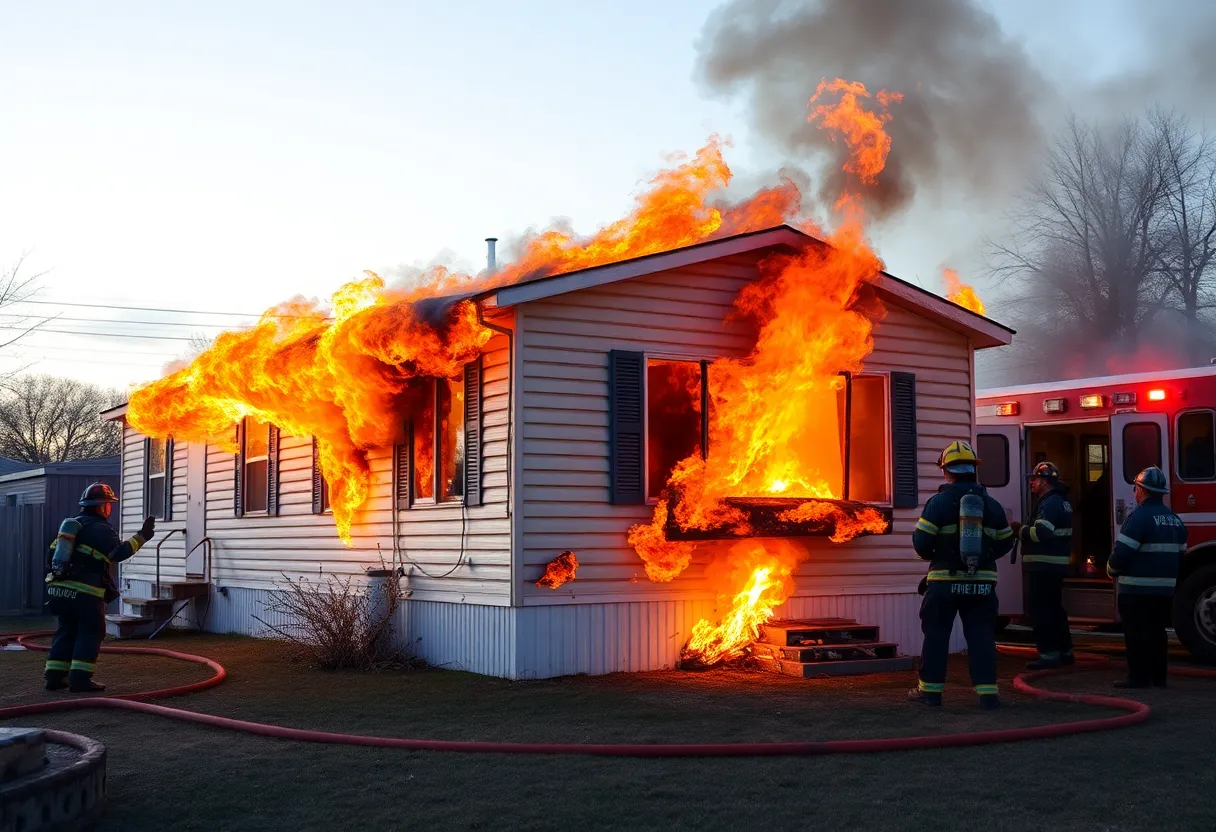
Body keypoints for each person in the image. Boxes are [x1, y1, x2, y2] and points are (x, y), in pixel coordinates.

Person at [909, 440, 1015, 709]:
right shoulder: (991, 506)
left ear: (946, 471)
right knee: (981, 635)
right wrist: (984, 558)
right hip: (982, 585)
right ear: (973, 469)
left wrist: (940, 556)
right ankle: (988, 694)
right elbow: (1005, 542)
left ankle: (930, 693)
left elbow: (921, 543)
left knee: (936, 634)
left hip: (944, 583)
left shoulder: (938, 503)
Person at [43, 483, 155, 692]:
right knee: (90, 632)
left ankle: (54, 677)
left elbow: (52, 556)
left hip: (59, 591)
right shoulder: (101, 529)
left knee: (66, 630)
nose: (110, 509)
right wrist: (143, 536)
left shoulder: (70, 527)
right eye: (109, 505)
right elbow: (120, 553)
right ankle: (80, 680)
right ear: (102, 507)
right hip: (85, 593)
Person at [1107, 466, 1187, 689]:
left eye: (1135, 488)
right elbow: (1181, 554)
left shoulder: (1138, 518)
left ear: (1141, 490)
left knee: (1136, 635)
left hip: (1135, 591)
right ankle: (1159, 678)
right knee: (1157, 634)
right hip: (1164, 592)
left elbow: (1122, 553)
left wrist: (1111, 569)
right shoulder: (1175, 520)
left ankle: (1138, 678)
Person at [1011, 461, 1075, 669]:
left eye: (1035, 478)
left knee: (1040, 610)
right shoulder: (1060, 501)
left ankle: (1049, 655)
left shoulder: (1049, 504)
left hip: (1043, 566)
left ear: (1046, 481)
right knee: (1055, 609)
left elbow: (1041, 533)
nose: (1031, 482)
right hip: (1053, 566)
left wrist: (1019, 530)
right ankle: (1065, 652)